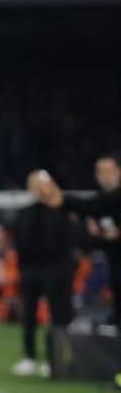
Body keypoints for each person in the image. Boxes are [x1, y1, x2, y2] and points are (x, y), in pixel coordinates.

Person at [11, 170, 77, 376]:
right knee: (29, 316)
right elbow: (19, 241)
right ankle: (29, 357)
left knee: (57, 317)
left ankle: (53, 359)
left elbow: (67, 242)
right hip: (31, 269)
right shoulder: (26, 213)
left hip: (56, 269)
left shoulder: (62, 211)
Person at [46, 151, 121, 327]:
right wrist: (102, 235)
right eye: (100, 172)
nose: (104, 176)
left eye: (109, 171)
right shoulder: (102, 202)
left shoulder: (106, 201)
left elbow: (93, 205)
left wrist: (64, 199)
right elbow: (94, 238)